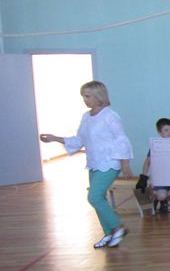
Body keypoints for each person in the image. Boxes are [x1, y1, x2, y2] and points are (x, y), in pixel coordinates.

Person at [40, 80, 134, 248]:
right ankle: (109, 233)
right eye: (83, 96)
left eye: (88, 96)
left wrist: (125, 164)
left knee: (93, 197)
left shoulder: (110, 116)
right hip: (94, 163)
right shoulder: (86, 117)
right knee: (100, 198)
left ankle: (118, 227)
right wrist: (55, 138)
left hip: (110, 163)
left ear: (99, 96)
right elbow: (79, 140)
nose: (85, 99)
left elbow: (122, 140)